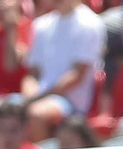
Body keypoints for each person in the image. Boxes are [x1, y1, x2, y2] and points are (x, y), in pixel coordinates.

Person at [23, 0, 106, 140]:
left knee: (36, 114)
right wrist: (29, 95)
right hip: (39, 97)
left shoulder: (90, 23)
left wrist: (36, 98)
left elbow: (77, 75)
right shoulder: (40, 24)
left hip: (72, 103)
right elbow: (32, 73)